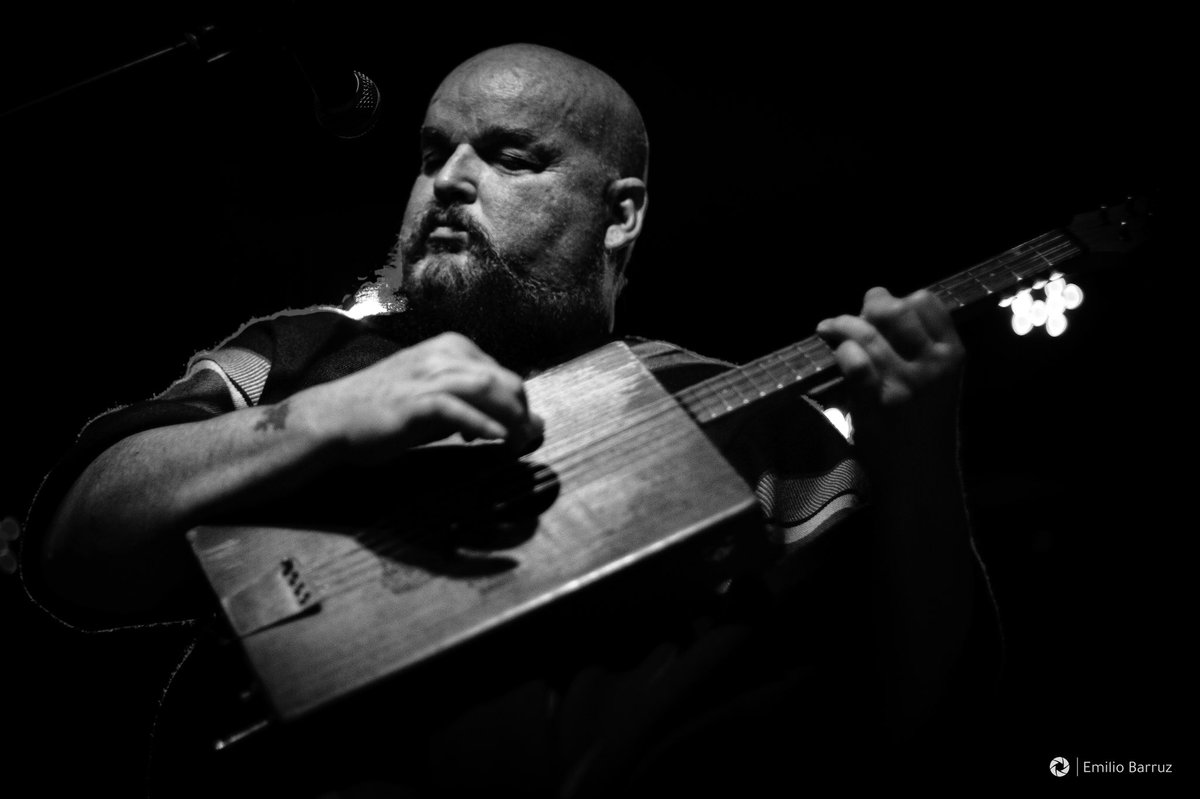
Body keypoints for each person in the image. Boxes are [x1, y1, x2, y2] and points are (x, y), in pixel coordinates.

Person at [23, 43, 995, 796]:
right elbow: (75, 547)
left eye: (508, 156)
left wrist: (920, 468)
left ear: (618, 215)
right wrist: (320, 417)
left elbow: (933, 722)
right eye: (431, 153)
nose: (447, 179)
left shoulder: (743, 414)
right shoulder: (301, 349)